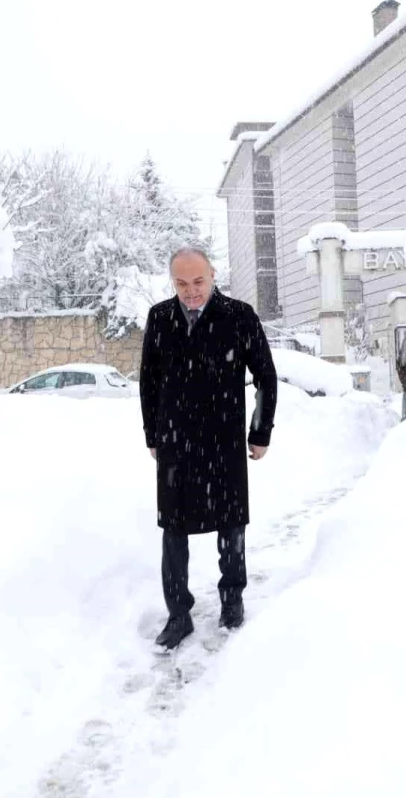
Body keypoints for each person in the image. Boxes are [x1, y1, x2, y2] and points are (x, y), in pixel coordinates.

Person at [139, 246, 278, 650]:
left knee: (231, 524)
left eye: (198, 281)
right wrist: (152, 435)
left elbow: (265, 376)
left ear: (213, 275)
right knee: (173, 530)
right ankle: (178, 613)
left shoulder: (238, 316)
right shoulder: (160, 318)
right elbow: (148, 381)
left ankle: (232, 600)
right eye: (181, 283)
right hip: (175, 443)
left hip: (224, 440)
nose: (191, 291)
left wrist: (261, 432)